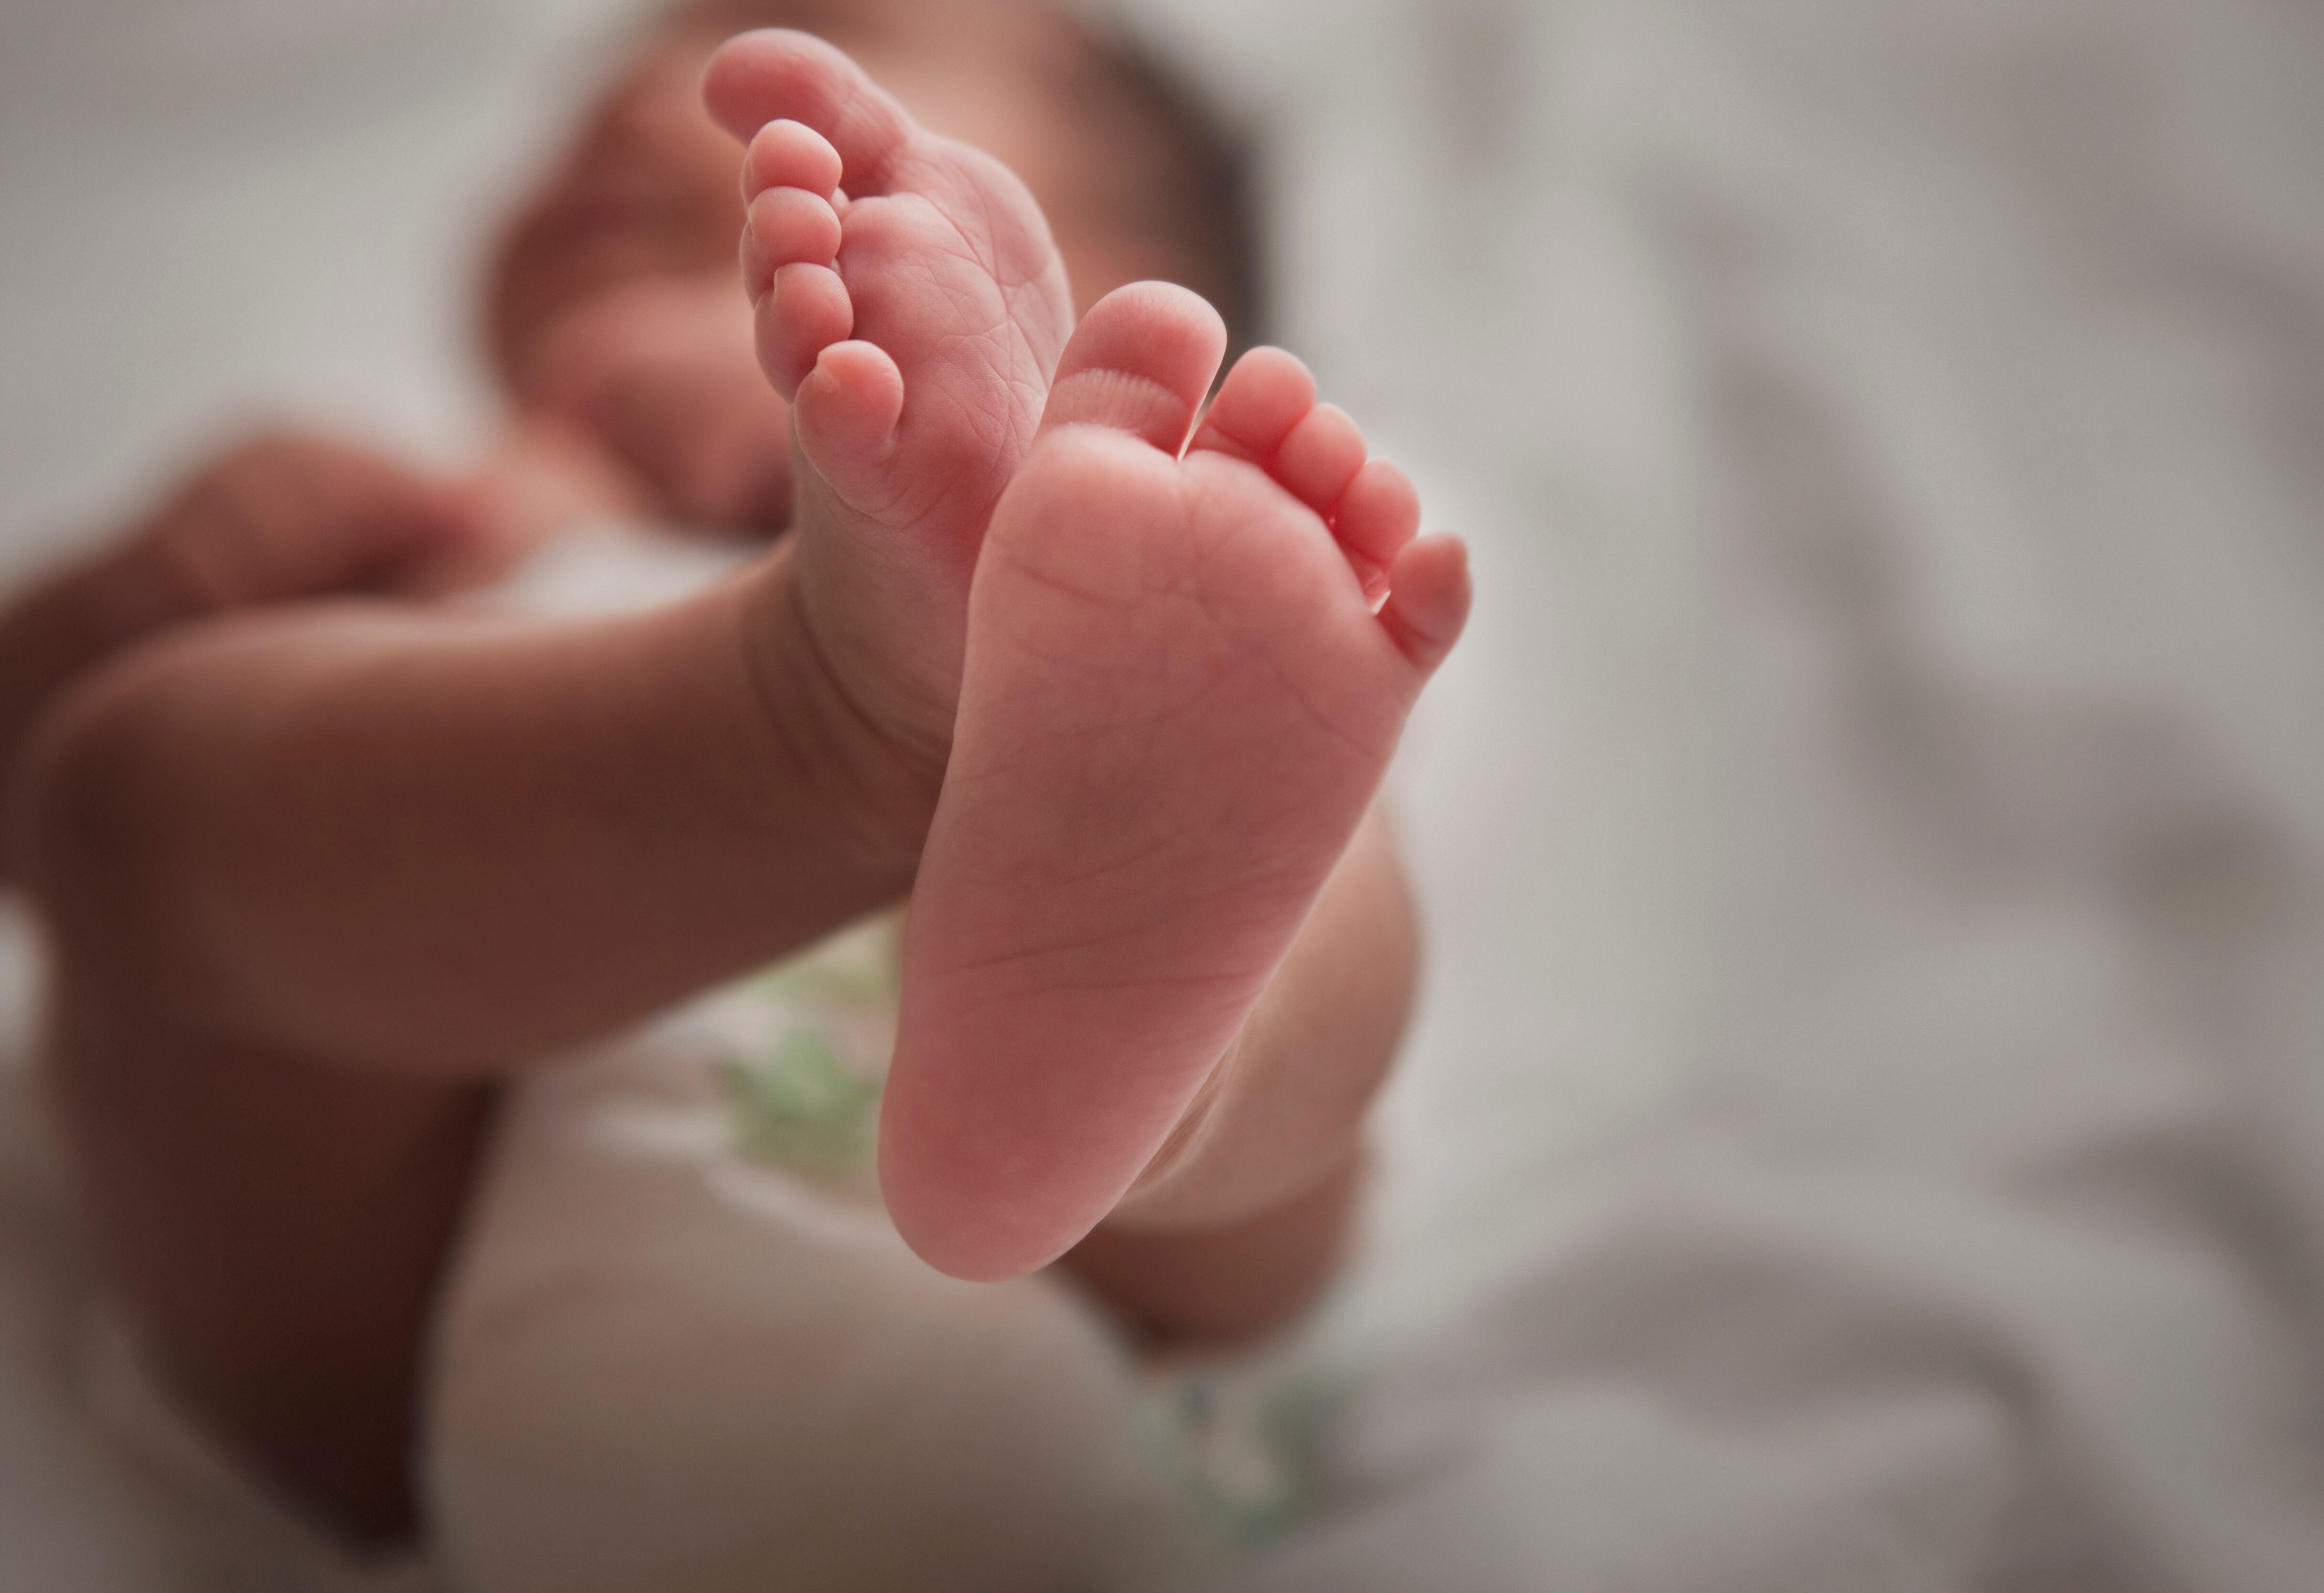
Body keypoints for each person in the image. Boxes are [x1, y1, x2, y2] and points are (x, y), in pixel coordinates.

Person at [0, 7, 1469, 1548]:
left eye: (832, 19)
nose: (640, 88)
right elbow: (32, 817)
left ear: (1120, 266)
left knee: (1304, 863)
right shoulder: (429, 518)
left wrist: (1006, 493)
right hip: (429, 1300)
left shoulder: (1173, 603)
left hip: (1111, 1306)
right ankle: (832, 725)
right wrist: (153, 593)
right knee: (132, 788)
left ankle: (1168, 1092)